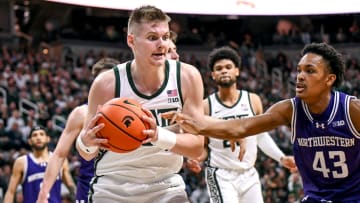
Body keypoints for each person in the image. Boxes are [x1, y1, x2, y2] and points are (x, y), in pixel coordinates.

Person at [164, 42, 360, 202]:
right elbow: (241, 127)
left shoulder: (352, 110)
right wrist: (196, 122)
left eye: (310, 71)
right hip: (316, 198)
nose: (300, 76)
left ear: (329, 79)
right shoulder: (289, 110)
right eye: (299, 70)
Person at [76, 5, 204, 203]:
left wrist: (157, 135)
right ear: (131, 40)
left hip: (166, 185)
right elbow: (86, 153)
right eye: (152, 38)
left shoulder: (187, 77)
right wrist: (87, 142)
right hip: (113, 187)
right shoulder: (107, 83)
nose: (161, 44)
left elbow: (197, 147)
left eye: (166, 37)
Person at [187, 46, 296, 203]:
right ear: (212, 75)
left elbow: (260, 136)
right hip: (221, 173)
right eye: (218, 68)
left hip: (249, 173)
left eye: (228, 67)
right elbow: (204, 146)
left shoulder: (253, 100)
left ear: (237, 71)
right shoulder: (206, 106)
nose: (224, 71)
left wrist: (281, 157)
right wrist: (197, 158)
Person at [36, 58, 120, 203]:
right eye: (102, 80)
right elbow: (59, 155)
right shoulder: (82, 113)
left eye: (111, 80)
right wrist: (43, 193)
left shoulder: (132, 113)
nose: (107, 85)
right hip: (89, 190)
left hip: (122, 189)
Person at [4, 126, 75, 203]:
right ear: (30, 141)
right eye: (35, 135)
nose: (38, 137)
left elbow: (71, 186)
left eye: (41, 134)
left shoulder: (60, 160)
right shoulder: (22, 162)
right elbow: (10, 191)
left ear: (48, 139)